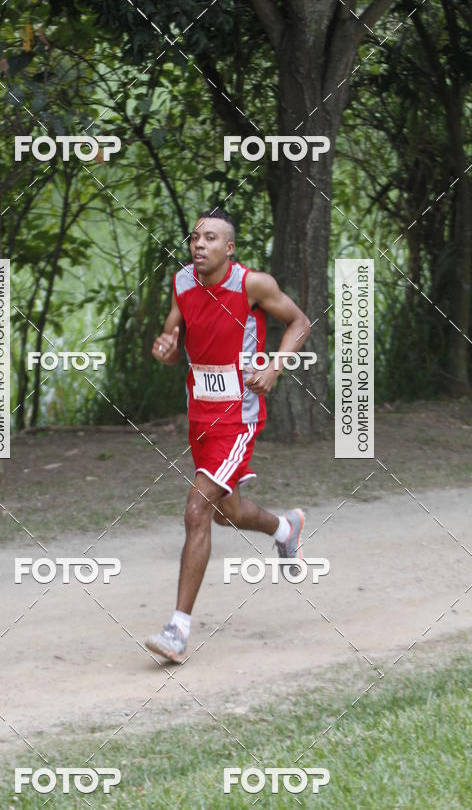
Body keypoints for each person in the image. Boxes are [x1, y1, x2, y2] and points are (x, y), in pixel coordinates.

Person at [144, 209, 312, 663]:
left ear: (229, 248)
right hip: (200, 413)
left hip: (239, 415)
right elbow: (170, 339)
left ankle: (178, 630)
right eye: (195, 237)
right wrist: (165, 348)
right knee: (225, 512)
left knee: (197, 508)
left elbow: (299, 322)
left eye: (210, 238)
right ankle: (284, 527)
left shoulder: (250, 284)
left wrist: (276, 366)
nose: (199, 244)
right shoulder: (182, 283)